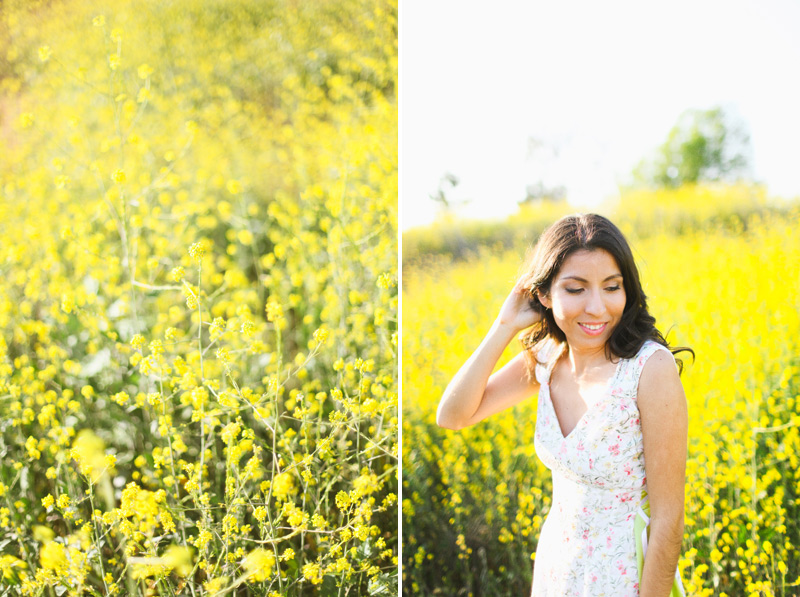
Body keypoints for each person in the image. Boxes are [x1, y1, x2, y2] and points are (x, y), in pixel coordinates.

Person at [436, 213, 690, 597]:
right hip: (560, 567)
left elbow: (668, 520)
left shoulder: (649, 369)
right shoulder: (547, 356)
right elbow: (452, 415)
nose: (597, 307)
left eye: (612, 286)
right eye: (575, 289)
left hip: (624, 577)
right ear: (543, 295)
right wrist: (504, 326)